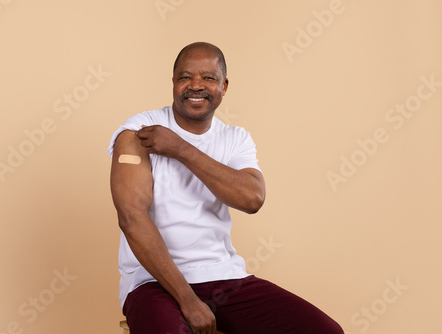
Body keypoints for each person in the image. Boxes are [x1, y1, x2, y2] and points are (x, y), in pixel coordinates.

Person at [109, 42, 344, 334]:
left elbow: (252, 198)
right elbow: (131, 218)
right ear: (173, 82)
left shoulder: (235, 138)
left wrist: (181, 148)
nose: (196, 86)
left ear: (224, 85)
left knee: (324, 332)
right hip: (152, 281)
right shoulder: (139, 131)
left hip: (223, 277)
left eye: (208, 77)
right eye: (185, 77)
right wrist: (188, 300)